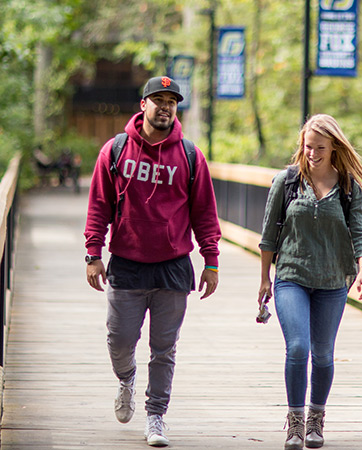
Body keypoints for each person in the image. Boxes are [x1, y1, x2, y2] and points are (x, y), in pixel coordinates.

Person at [84, 76, 221, 447]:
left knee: (164, 348)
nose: (165, 106)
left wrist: (211, 259)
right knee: (119, 340)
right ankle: (126, 378)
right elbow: (99, 205)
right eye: (157, 100)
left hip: (174, 265)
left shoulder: (190, 155)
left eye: (171, 101)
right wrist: (93, 253)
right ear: (142, 105)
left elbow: (205, 212)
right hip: (126, 262)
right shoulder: (115, 151)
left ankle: (157, 415)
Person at [258, 114, 362, 449]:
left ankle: (315, 419)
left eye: (320, 147)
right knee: (298, 347)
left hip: (332, 280)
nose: (312, 153)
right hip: (291, 276)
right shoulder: (287, 181)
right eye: (308, 146)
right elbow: (267, 236)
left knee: (323, 354)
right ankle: (294, 422)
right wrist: (264, 279)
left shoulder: (348, 186)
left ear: (333, 146)